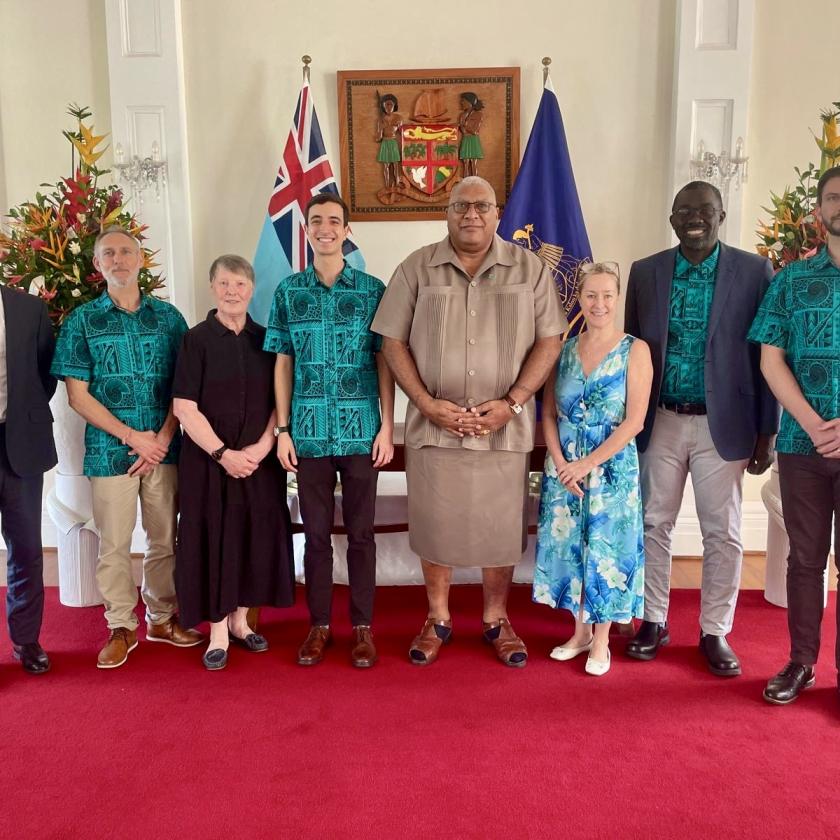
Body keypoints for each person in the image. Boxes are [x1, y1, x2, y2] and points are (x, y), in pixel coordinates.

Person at [373, 175, 566, 667]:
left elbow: (551, 339)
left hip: (505, 426)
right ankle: (437, 618)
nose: (472, 215)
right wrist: (423, 401)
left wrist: (515, 401)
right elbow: (391, 341)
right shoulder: (416, 268)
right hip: (433, 426)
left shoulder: (529, 269)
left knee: (500, 529)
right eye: (462, 205)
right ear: (447, 212)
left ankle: (496, 619)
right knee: (435, 525)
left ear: (497, 213)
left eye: (482, 205)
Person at [624, 181, 777, 676]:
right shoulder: (645, 273)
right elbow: (631, 352)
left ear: (721, 215)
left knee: (724, 532)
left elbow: (768, 356)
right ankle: (653, 621)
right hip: (660, 419)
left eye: (705, 210)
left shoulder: (754, 272)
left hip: (725, 424)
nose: (695, 218)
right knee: (652, 524)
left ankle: (715, 631)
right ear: (672, 219)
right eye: (685, 211)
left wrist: (766, 431)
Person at [51, 226, 203, 668]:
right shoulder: (82, 320)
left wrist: (161, 438)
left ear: (141, 260)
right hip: (110, 451)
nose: (119, 260)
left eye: (126, 252)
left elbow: (186, 386)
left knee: (164, 539)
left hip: (165, 449)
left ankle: (161, 616)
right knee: (114, 543)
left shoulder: (169, 318)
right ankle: (120, 626)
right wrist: (133, 437)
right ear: (98, 265)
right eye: (109, 254)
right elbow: (78, 396)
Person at [265, 193, 394, 668]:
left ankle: (363, 627)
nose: (325, 228)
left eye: (334, 221)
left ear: (346, 229)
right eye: (316, 221)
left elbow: (385, 361)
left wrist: (385, 427)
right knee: (316, 536)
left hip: (362, 432)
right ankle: (319, 625)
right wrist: (282, 429)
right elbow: (282, 361)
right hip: (309, 433)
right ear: (307, 229)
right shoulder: (288, 292)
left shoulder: (371, 290)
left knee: (361, 534)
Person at [172, 255, 296, 671]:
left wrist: (262, 449)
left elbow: (281, 401)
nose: (232, 291)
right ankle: (218, 631)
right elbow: (184, 408)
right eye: (224, 283)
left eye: (240, 284)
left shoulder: (266, 340)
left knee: (252, 537)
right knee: (213, 538)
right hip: (209, 463)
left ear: (251, 289)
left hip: (259, 462)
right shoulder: (195, 340)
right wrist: (224, 455)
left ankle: (242, 622)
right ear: (213, 288)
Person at [748, 165, 840, 705]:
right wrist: (809, 421)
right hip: (803, 447)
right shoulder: (791, 280)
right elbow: (771, 357)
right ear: (819, 210)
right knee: (805, 559)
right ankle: (801, 663)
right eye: (832, 197)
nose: (839, 204)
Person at [533, 262, 652, 676]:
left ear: (617, 299)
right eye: (590, 295)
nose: (598, 303)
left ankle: (602, 639)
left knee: (606, 549)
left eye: (606, 295)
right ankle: (580, 632)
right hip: (564, 467)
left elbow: (634, 421)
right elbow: (547, 413)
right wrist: (562, 464)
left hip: (610, 469)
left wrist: (587, 463)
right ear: (579, 299)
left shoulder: (635, 349)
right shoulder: (563, 349)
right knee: (570, 547)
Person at [0, 284, 57, 675]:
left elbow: (45, 374)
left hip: (18, 439)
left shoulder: (28, 308)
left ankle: (26, 639)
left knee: (25, 548)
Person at [375, 94, 403, 190]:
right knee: (386, 166)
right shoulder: (381, 120)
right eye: (386, 105)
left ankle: (397, 182)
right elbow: (378, 139)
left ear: (394, 105)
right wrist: (381, 130)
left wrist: (399, 128)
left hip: (393, 143)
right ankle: (387, 185)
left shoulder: (398, 118)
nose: (388, 107)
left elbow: (402, 134)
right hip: (385, 143)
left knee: (395, 164)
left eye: (390, 104)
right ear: (383, 106)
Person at [458, 93, 485, 178]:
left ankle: (476, 181)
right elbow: (463, 131)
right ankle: (465, 182)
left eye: (463, 101)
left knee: (473, 162)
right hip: (465, 139)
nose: (461, 103)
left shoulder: (478, 114)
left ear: (469, 102)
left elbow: (475, 130)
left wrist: (464, 125)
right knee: (465, 162)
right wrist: (464, 127)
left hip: (473, 140)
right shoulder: (462, 115)